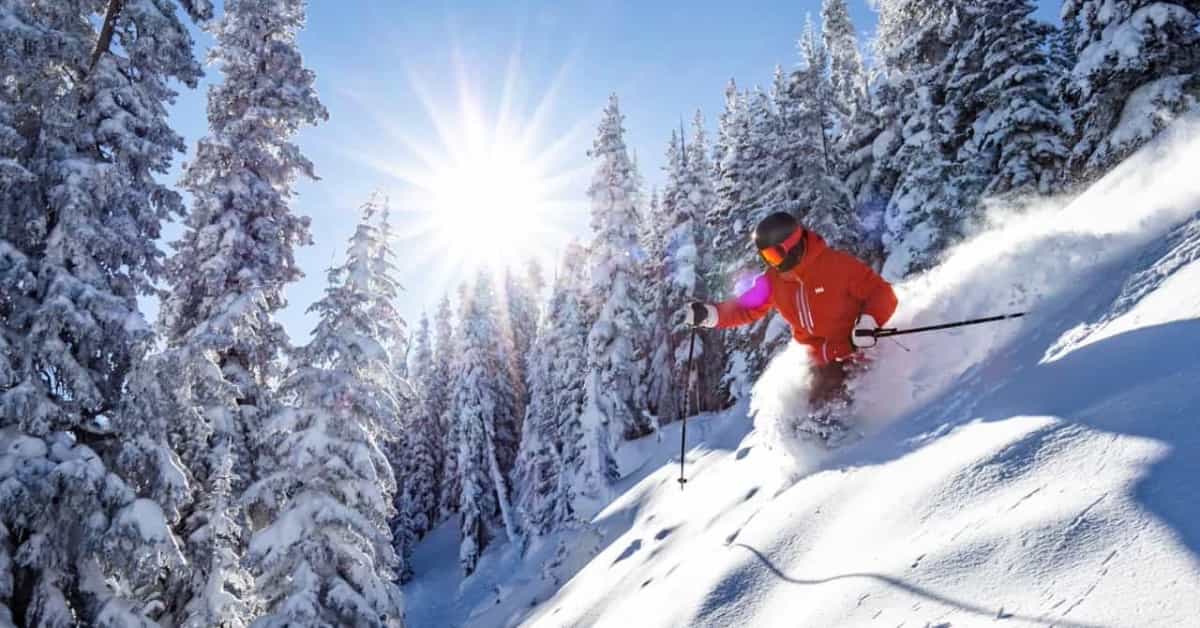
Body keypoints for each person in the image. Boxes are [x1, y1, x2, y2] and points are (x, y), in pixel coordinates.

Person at [685, 212, 898, 441]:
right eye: (765, 257)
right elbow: (745, 308)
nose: (771, 264)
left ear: (793, 245)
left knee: (826, 416)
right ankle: (818, 449)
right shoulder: (776, 280)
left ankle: (854, 455)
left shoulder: (836, 266)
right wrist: (711, 314)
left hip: (855, 349)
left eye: (774, 256)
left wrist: (868, 321)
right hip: (820, 361)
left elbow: (882, 293)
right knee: (799, 420)